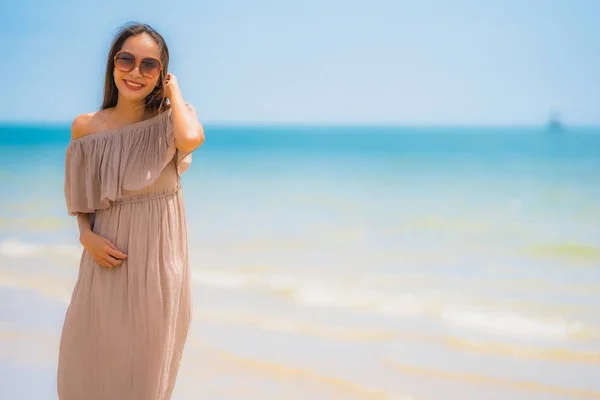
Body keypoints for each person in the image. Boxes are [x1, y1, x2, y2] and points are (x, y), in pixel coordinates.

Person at [57, 22, 204, 400]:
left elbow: (190, 140)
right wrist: (86, 236)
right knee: (86, 363)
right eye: (127, 60)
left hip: (158, 265)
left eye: (149, 65)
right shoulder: (87, 127)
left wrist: (173, 90)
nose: (135, 72)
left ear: (162, 73)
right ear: (112, 64)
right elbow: (80, 196)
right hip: (104, 259)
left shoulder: (174, 118)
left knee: (144, 378)